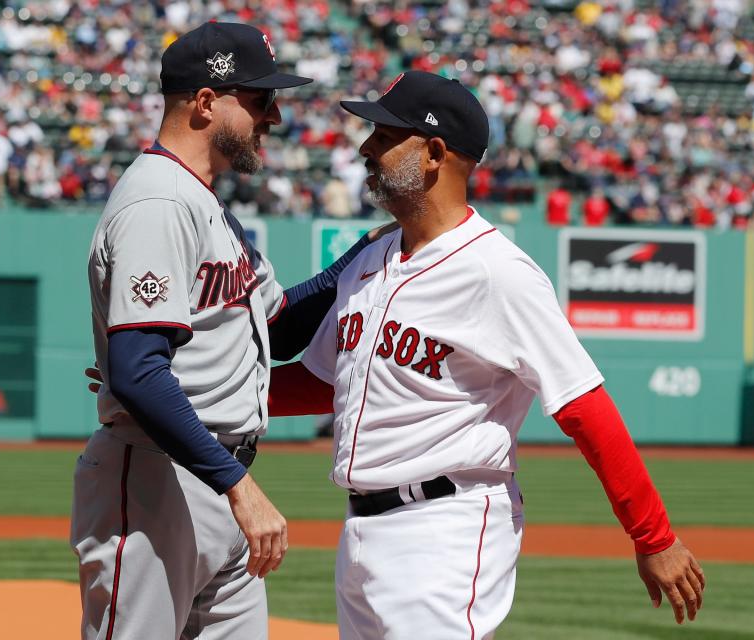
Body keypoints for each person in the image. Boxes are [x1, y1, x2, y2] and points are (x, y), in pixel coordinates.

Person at [268, 71, 706, 639]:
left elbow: (584, 408)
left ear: (433, 153)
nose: (365, 149)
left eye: (382, 135)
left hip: (444, 528)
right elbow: (325, 380)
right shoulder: (369, 260)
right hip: (359, 531)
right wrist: (200, 399)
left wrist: (654, 538)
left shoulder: (499, 272)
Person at [71, 22, 386, 640]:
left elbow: (279, 325)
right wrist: (238, 487)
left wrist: (363, 255)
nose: (273, 116)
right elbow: (138, 370)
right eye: (260, 99)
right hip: (163, 479)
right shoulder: (158, 203)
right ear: (207, 102)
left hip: (213, 472)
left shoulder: (205, 202)